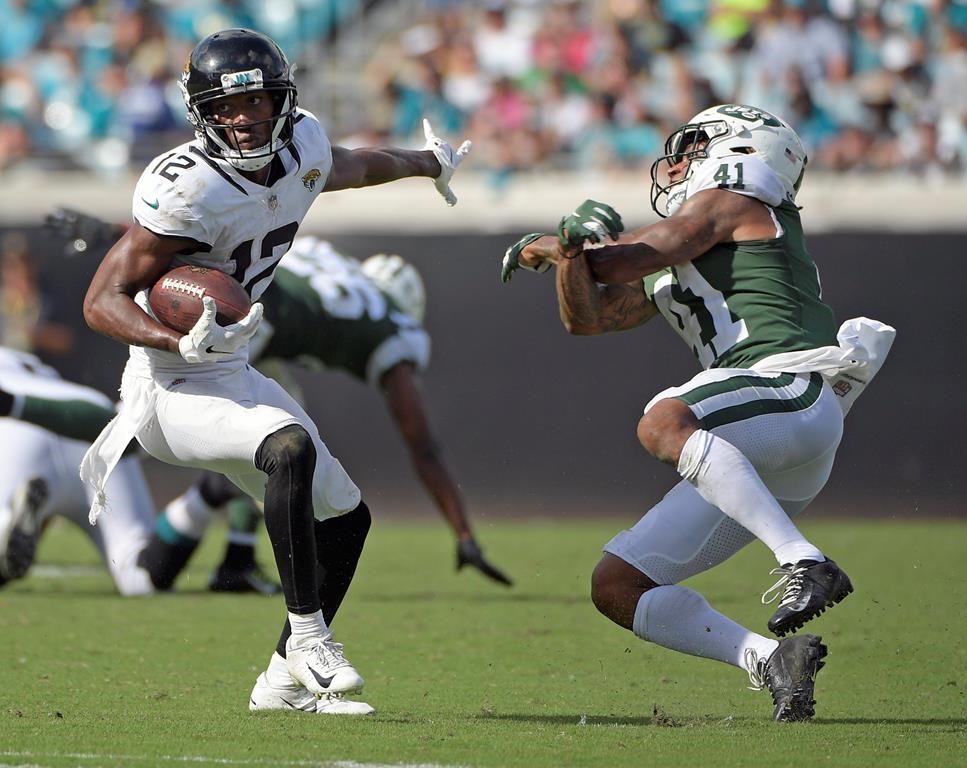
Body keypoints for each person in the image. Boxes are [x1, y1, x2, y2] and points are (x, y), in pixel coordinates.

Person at [79, 28, 470, 717]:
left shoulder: (305, 146)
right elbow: (100, 300)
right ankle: (312, 640)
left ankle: (279, 682)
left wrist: (424, 162)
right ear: (200, 111)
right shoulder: (186, 186)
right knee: (288, 444)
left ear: (281, 99)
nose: (242, 118)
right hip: (167, 385)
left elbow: (346, 166)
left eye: (256, 100)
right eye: (225, 108)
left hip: (230, 369)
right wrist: (171, 342)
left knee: (346, 517)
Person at [500, 103, 894, 721]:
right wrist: (570, 254)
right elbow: (589, 316)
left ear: (733, 151)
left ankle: (805, 560)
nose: (676, 162)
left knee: (662, 419)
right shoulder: (692, 242)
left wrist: (563, 246)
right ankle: (771, 661)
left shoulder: (731, 205)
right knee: (618, 585)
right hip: (766, 440)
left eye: (690, 147)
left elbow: (619, 260)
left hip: (788, 387)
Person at [45, 211, 513, 591]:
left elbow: (213, 249)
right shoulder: (394, 328)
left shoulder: (329, 259)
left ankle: (233, 548)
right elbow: (422, 443)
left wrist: (113, 234)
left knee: (242, 423)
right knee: (276, 436)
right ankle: (238, 559)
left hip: (234, 298)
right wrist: (464, 534)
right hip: (245, 323)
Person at [0, 347, 157, 596]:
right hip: (88, 412)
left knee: (5, 526)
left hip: (20, 426)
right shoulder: (21, 359)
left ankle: (6, 523)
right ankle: (200, 502)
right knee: (139, 573)